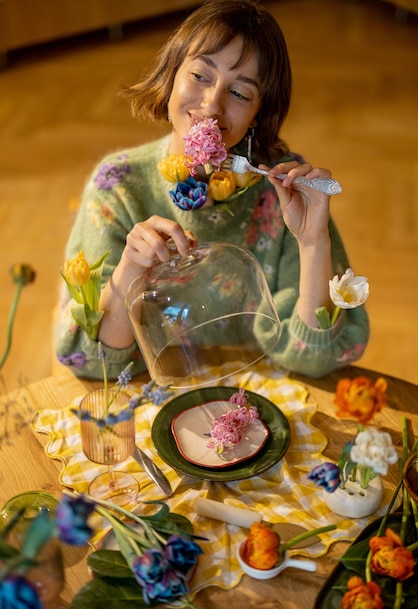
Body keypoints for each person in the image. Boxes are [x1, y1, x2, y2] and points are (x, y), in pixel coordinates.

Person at [55, 0, 369, 380]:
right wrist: (129, 271)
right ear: (171, 74)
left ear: (259, 114)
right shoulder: (118, 187)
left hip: (259, 394)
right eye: (201, 76)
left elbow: (313, 360)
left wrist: (312, 241)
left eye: (240, 94)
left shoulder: (283, 194)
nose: (212, 105)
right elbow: (91, 364)